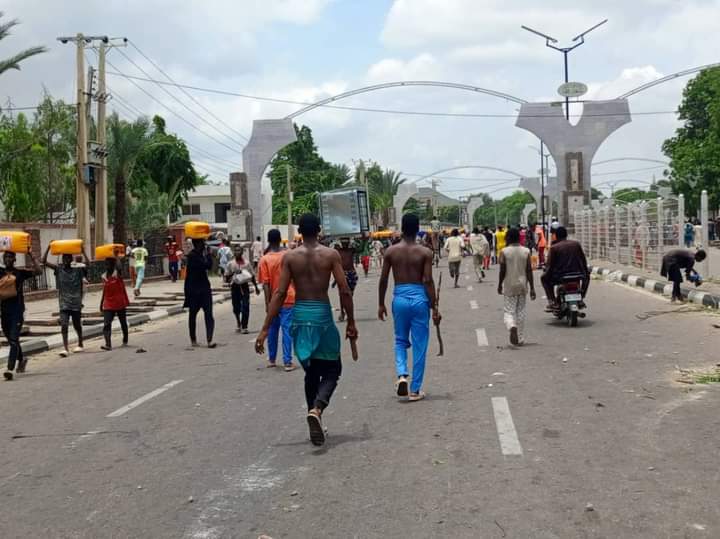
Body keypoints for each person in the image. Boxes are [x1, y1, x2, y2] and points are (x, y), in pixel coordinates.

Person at [255, 214, 357, 447]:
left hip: (300, 316)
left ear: (300, 232)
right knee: (333, 369)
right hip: (321, 314)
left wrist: (264, 330)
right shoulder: (330, 255)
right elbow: (344, 289)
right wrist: (351, 322)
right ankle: (317, 409)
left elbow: (279, 294)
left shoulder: (290, 257)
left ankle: (314, 411)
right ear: (319, 231)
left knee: (311, 371)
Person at [379, 214, 440, 401]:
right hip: (419, 298)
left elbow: (383, 280)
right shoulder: (425, 252)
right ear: (417, 229)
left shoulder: (391, 251)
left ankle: (402, 374)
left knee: (400, 340)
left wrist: (380, 303)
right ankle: (415, 390)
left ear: (402, 228)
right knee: (420, 344)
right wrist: (434, 306)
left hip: (399, 298)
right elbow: (428, 280)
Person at [42, 244, 90, 357]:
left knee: (77, 325)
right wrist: (49, 247)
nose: (66, 260)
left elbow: (89, 264)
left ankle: (80, 342)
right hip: (64, 303)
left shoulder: (78, 270)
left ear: (71, 260)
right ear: (62, 260)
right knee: (64, 324)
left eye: (68, 258)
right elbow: (43, 261)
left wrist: (83, 251)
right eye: (64, 258)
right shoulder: (58, 270)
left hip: (76, 302)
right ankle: (65, 348)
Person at [0, 249, 41, 380]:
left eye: (10, 257)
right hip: (4, 311)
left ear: (14, 259)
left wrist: (32, 256)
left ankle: (9, 369)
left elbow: (39, 271)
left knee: (13, 339)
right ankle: (22, 359)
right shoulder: (0, 273)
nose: (8, 259)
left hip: (17, 311)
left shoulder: (20, 273)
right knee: (11, 338)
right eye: (5, 257)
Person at [258, 229, 296, 370]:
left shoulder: (264, 259)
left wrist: (268, 304)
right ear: (281, 239)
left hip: (274, 300)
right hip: (289, 298)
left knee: (272, 330)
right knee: (287, 330)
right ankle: (287, 361)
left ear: (268, 240)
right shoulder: (288, 255)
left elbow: (266, 284)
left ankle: (272, 359)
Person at [498, 228, 536, 345]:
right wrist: (532, 288)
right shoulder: (526, 251)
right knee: (521, 311)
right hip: (522, 285)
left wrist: (499, 284)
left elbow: (502, 271)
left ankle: (511, 326)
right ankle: (519, 338)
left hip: (510, 285)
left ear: (508, 238)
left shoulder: (504, 252)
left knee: (509, 311)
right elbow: (529, 270)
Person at [541, 226, 590, 309]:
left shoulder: (554, 248)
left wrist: (546, 273)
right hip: (577, 274)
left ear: (556, 235)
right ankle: (581, 298)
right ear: (566, 235)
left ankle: (552, 301)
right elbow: (583, 260)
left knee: (544, 279)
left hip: (560, 276)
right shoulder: (576, 244)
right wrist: (585, 272)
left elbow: (550, 265)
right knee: (587, 277)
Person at [184, 238, 216, 348]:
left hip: (204, 289)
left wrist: (207, 255)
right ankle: (193, 339)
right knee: (193, 314)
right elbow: (207, 266)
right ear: (197, 244)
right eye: (202, 243)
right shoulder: (193, 256)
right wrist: (208, 255)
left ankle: (209, 339)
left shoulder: (200, 255)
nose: (204, 245)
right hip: (194, 290)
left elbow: (209, 266)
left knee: (209, 314)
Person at [225, 249, 260, 333]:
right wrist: (233, 273)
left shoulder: (247, 263)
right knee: (236, 307)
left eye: (239, 251)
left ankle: (244, 326)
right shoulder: (230, 264)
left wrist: (256, 287)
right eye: (236, 251)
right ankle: (238, 322)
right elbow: (226, 277)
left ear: (242, 252)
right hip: (235, 287)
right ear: (234, 253)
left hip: (244, 287)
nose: (237, 252)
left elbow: (251, 276)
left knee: (245, 306)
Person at [100, 257, 130, 351]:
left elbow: (120, 267)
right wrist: (101, 303)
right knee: (107, 324)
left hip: (119, 302)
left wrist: (116, 257)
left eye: (110, 264)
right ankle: (108, 344)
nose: (108, 266)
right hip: (108, 303)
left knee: (123, 322)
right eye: (106, 264)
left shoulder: (117, 274)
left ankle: (125, 339)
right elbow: (104, 290)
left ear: (113, 265)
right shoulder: (103, 276)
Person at [334, 237, 358, 321]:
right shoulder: (337, 251)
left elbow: (361, 248)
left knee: (349, 294)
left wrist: (362, 238)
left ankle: (348, 312)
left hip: (351, 274)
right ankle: (342, 312)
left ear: (348, 243)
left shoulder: (351, 250)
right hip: (342, 274)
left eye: (346, 242)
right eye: (343, 242)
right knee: (342, 294)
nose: (345, 244)